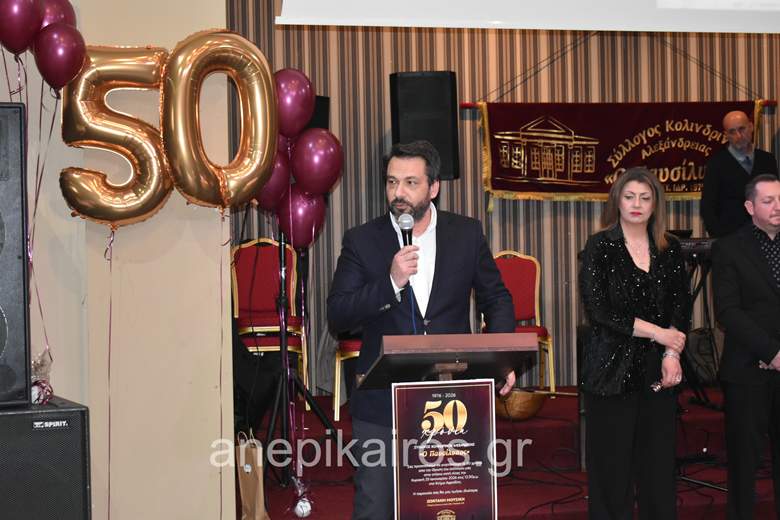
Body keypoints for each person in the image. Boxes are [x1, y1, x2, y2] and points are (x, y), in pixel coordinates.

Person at [327, 140, 516, 520]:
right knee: (376, 508)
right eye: (392, 181)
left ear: (434, 188)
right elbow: (339, 316)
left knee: (449, 509)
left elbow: (496, 298)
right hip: (381, 402)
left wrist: (502, 358)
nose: (398, 192)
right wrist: (390, 283)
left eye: (410, 182)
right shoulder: (362, 240)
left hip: (453, 401)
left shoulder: (466, 233)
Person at [579, 167, 690, 519]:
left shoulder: (670, 248)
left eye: (645, 197)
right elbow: (599, 312)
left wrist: (671, 353)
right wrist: (659, 333)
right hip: (610, 369)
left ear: (655, 204)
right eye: (629, 197)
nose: (637, 204)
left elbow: (681, 306)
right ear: (617, 201)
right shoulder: (600, 246)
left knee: (658, 468)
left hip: (658, 368)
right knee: (612, 471)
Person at [712, 173, 780, 520]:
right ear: (750, 207)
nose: (777, 207)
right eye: (768, 201)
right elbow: (728, 312)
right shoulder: (729, 248)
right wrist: (773, 353)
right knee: (744, 463)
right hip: (747, 369)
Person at [701, 110, 778, 238]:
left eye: (742, 129)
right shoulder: (716, 164)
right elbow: (708, 206)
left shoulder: (767, 160)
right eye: (732, 132)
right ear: (726, 135)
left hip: (766, 236)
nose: (738, 135)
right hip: (730, 238)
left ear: (751, 127)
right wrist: (719, 238)